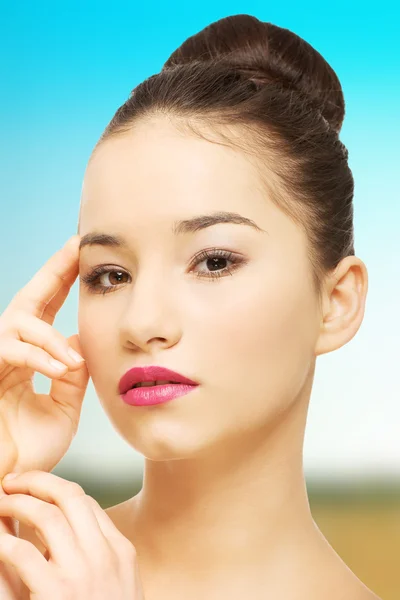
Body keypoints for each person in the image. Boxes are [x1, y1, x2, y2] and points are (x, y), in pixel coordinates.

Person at [0, 13, 381, 600]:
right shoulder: (27, 572)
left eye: (214, 262)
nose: (143, 322)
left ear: (336, 302)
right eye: (110, 274)